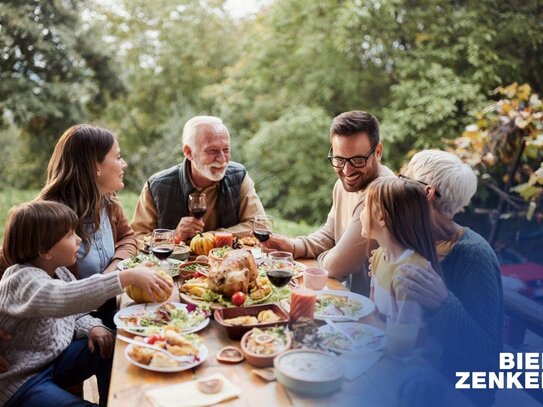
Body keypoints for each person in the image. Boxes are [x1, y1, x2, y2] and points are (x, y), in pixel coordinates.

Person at [0, 201, 172, 407]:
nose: (79, 239)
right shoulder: (21, 279)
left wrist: (93, 327)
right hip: (21, 380)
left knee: (113, 342)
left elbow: (75, 312)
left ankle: (114, 401)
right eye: (70, 235)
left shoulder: (59, 271)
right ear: (44, 250)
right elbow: (65, 298)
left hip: (53, 360)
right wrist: (125, 277)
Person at [397, 150, 503, 406]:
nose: (398, 185)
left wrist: (443, 303)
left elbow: (488, 351)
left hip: (454, 392)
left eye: (404, 178)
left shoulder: (473, 255)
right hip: (409, 374)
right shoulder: (418, 240)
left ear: (427, 192)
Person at [263, 110, 394, 295]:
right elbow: (330, 234)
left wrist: (322, 258)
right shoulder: (344, 184)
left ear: (378, 152)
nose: (347, 171)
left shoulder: (382, 192)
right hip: (343, 297)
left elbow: (336, 265)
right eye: (339, 159)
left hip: (372, 311)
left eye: (357, 160)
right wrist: (293, 246)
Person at [130, 115, 265, 242]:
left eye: (226, 150)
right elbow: (137, 238)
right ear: (188, 152)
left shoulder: (239, 176)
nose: (222, 159)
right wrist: (174, 235)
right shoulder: (157, 186)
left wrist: (211, 237)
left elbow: (260, 226)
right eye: (212, 151)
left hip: (228, 264)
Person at [362, 177, 442, 323]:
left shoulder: (408, 275)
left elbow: (405, 339)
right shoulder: (379, 256)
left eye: (364, 207)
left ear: (382, 218)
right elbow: (372, 312)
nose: (361, 214)